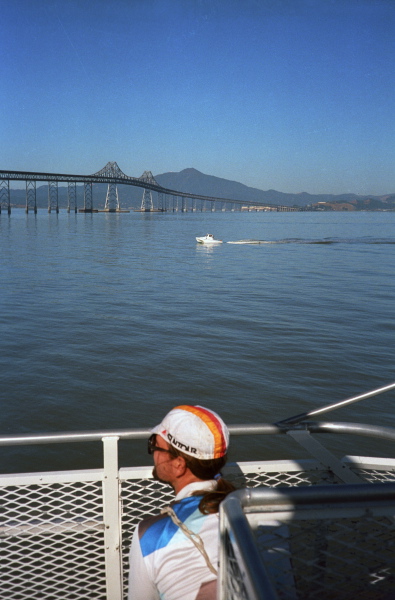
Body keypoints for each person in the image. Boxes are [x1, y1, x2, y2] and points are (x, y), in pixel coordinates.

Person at [128, 405, 235, 600]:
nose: (153, 454)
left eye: (155, 446)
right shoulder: (263, 517)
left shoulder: (150, 536)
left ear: (179, 465)